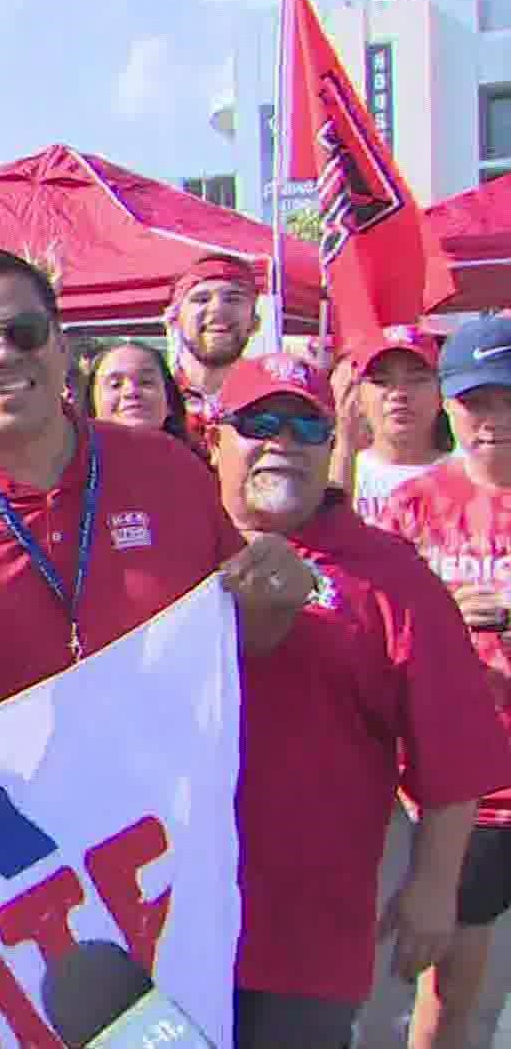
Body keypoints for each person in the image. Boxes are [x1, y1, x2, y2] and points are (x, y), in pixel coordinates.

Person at [0, 248, 314, 731]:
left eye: (26, 334)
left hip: (162, 799)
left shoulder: (170, 471)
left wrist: (274, 601)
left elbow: (238, 640)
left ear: (61, 348)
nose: (4, 356)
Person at [207, 354, 511, 1048]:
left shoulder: (391, 573)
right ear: (215, 437)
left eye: (306, 426)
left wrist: (434, 889)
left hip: (306, 935)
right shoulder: (170, 550)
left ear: (332, 445)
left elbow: (455, 747)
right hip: (158, 923)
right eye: (259, 422)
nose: (282, 441)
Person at [374, 315, 511, 1049]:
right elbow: (379, 640)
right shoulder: (411, 509)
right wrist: (439, 622)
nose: (492, 421)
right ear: (449, 406)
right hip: (467, 796)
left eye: (508, 400)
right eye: (478, 401)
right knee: (448, 1001)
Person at [351, 324, 451, 524]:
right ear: (357, 397)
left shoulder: (470, 474)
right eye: (381, 381)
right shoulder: (340, 475)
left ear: (441, 391)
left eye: (416, 380)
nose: (399, 394)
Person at [169, 254, 261, 461]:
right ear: (175, 319)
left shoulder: (273, 404)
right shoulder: (155, 400)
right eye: (201, 299)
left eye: (233, 298)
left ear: (254, 322)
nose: (218, 310)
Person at [82, 340, 192, 445]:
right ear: (93, 404)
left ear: (169, 402)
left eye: (146, 382)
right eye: (115, 385)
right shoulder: (76, 462)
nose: (131, 391)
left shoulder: (192, 462)